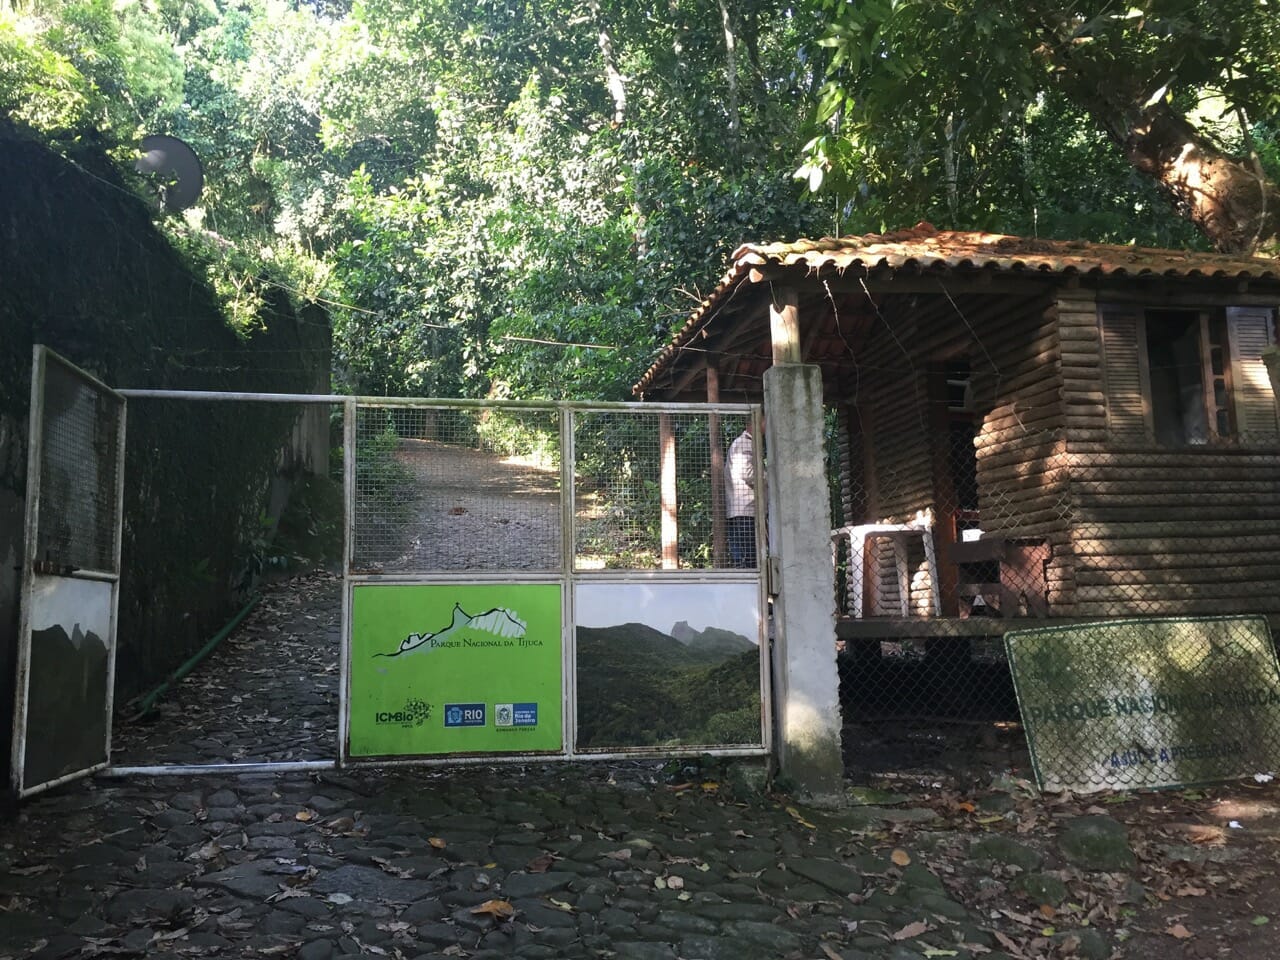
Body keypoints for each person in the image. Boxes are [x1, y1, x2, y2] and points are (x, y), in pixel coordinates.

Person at [725, 419, 759, 567]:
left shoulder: (742, 443)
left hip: (738, 509)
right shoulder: (745, 443)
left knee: (741, 558)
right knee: (748, 559)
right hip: (746, 508)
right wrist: (769, 476)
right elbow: (748, 472)